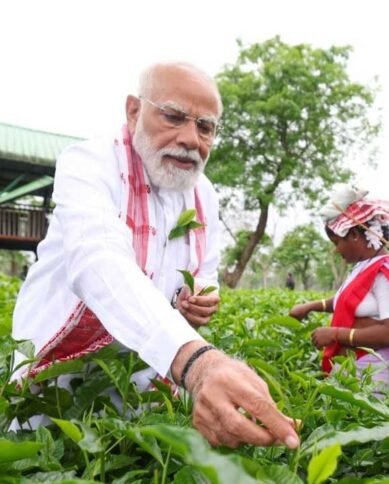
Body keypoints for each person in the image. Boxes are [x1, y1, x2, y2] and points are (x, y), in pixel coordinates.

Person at [11, 62, 300, 449]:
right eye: (174, 116)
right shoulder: (90, 164)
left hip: (145, 380)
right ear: (134, 111)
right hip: (59, 380)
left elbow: (206, 269)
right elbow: (98, 259)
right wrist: (198, 362)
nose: (190, 139)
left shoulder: (204, 194)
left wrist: (203, 296)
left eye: (205, 127)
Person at [289, 186, 389, 388]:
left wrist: (335, 334)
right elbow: (349, 301)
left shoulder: (384, 272)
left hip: (378, 373)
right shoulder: (364, 267)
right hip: (360, 369)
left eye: (337, 242)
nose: (336, 250)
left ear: (353, 234)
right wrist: (310, 306)